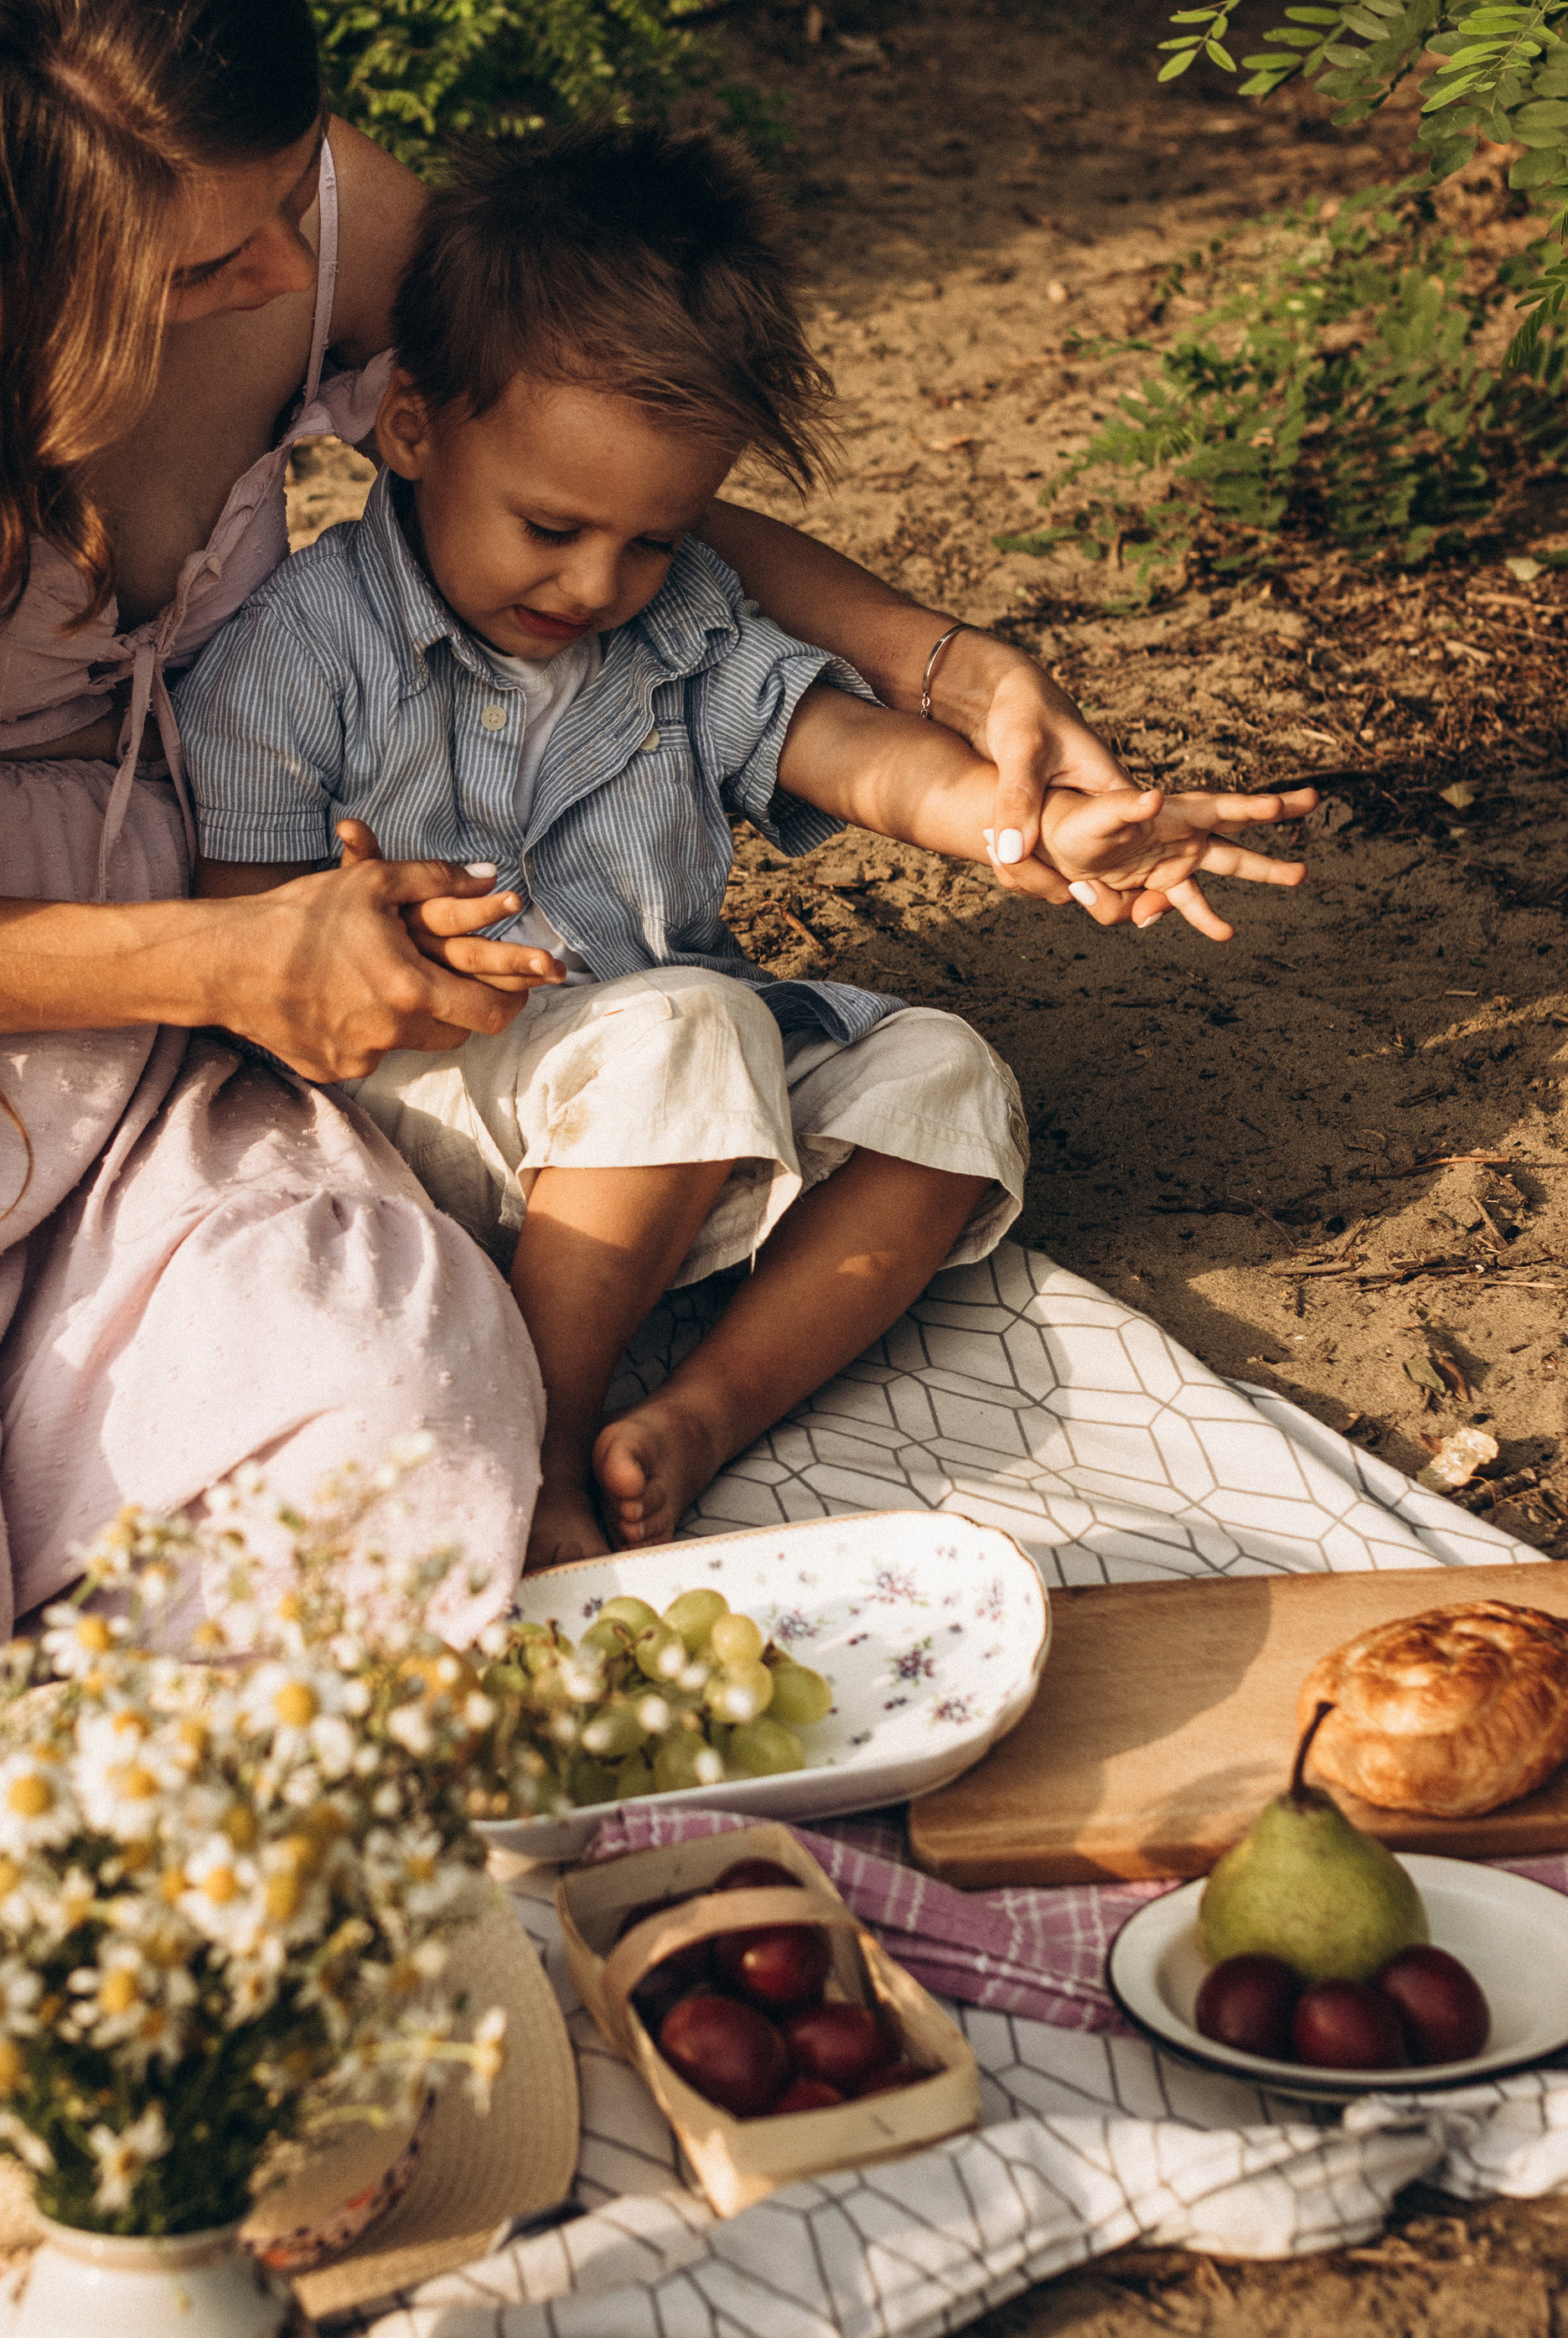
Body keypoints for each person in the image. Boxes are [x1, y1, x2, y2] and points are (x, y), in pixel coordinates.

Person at [0, 0, 1134, 1903]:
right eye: (190, 274)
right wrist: (218, 965)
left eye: (281, 215)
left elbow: (566, 433)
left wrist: (940, 663)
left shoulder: (274, 207)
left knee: (411, 1430)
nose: (275, 288)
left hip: (197, 980)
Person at [176, 127, 1317, 1568]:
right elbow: (244, 939)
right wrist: (372, 943)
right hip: (425, 1099)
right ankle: (539, 1441)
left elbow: (848, 751)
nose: (597, 582)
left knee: (947, 1081)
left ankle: (702, 1413)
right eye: (552, 526)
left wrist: (1030, 821)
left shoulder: (680, 622)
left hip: (664, 1083)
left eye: (654, 540)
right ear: (411, 429)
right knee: (694, 1030)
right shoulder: (297, 650)